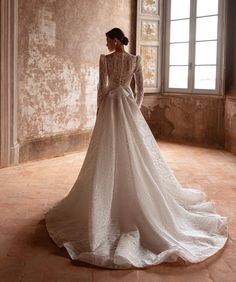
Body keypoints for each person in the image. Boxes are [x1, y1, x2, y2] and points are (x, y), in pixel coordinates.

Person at [45, 27, 228, 269]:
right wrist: (133, 107)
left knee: (120, 153)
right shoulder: (121, 59)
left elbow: (110, 88)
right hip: (122, 107)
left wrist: (109, 110)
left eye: (108, 39)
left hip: (114, 106)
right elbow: (135, 89)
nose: (106, 43)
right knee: (117, 153)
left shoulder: (119, 60)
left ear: (116, 40)